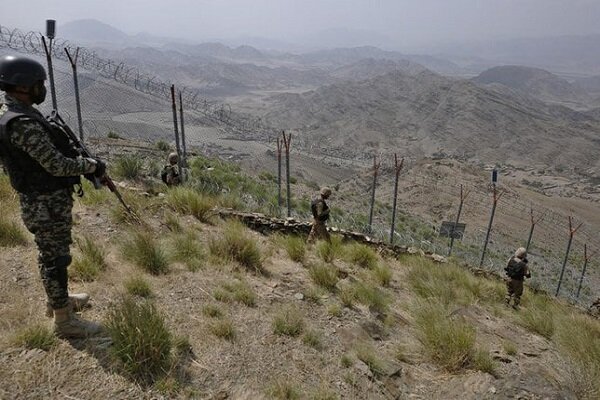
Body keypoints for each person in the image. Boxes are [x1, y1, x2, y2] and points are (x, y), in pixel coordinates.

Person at [0, 55, 106, 338]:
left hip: (44, 200)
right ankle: (64, 321)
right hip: (44, 203)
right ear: (23, 86)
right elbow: (56, 165)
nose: (41, 88)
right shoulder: (22, 123)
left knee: (53, 255)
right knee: (55, 258)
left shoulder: (18, 114)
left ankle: (58, 301)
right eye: (38, 83)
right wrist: (90, 165)